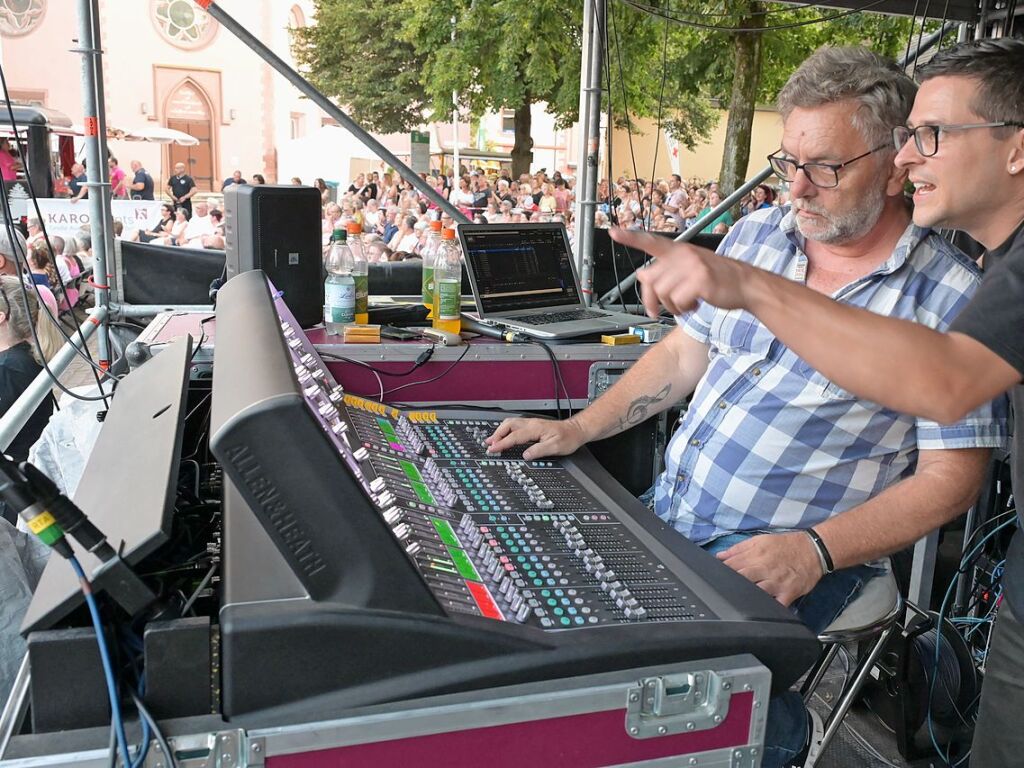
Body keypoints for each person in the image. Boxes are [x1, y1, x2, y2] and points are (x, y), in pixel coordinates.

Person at [488, 46, 1007, 768]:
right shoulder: (761, 234)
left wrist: (814, 550)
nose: (796, 188)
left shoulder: (952, 297)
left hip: (800, 555)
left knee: (683, 705)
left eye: (825, 167)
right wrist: (579, 427)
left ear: (894, 163)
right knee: (550, 657)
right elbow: (682, 355)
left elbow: (953, 480)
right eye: (784, 163)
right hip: (673, 512)